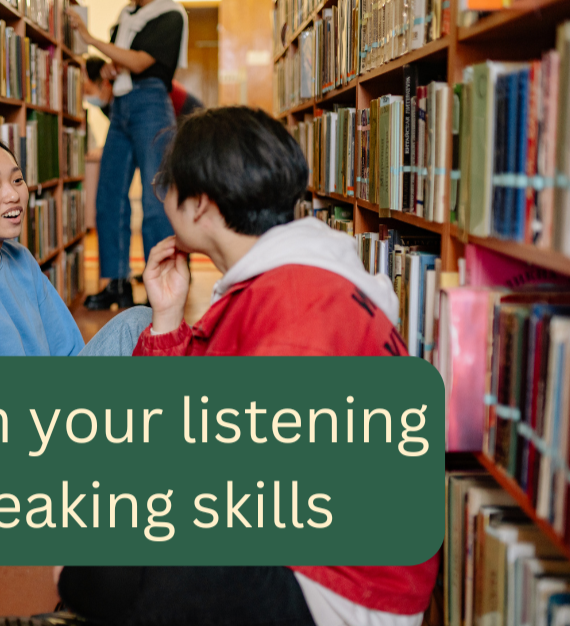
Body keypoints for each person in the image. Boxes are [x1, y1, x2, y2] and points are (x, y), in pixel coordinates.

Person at [53, 107, 438, 626]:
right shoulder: (278, 280)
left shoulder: (298, 304)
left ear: (201, 205)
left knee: (96, 561)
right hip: (306, 555)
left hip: (337, 590)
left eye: (168, 187)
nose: (160, 199)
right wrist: (166, 319)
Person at [0, 137, 152, 357]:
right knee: (136, 324)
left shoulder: (20, 257)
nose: (13, 194)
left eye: (17, 180)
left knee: (142, 321)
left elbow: (68, 350)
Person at [66, 0, 188, 311]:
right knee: (109, 195)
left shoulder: (170, 15)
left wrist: (92, 40)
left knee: (155, 198)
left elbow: (138, 62)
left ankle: (158, 286)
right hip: (120, 105)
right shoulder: (126, 16)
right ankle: (116, 284)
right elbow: (123, 63)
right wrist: (110, 67)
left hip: (151, 103)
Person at [84, 56, 204, 122]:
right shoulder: (108, 106)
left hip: (186, 109)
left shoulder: (127, 88)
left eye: (87, 91)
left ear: (105, 83)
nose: (86, 97)